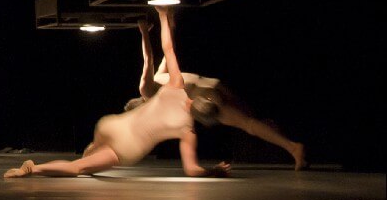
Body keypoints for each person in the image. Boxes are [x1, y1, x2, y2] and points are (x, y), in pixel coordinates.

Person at [4, 6, 230, 179]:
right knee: (79, 168)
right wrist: (214, 171)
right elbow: (191, 170)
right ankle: (34, 169)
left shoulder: (176, 86)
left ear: (202, 98)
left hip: (111, 125)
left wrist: (162, 14)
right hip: (127, 146)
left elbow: (167, 48)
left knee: (89, 158)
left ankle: (90, 149)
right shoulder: (188, 130)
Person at [125, 20, 306, 170]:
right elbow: (168, 52)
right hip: (213, 85)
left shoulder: (147, 91)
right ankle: (289, 145)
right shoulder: (158, 80)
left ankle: (293, 147)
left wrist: (144, 32)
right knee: (250, 121)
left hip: (205, 97)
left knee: (248, 124)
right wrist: (169, 23)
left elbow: (148, 58)